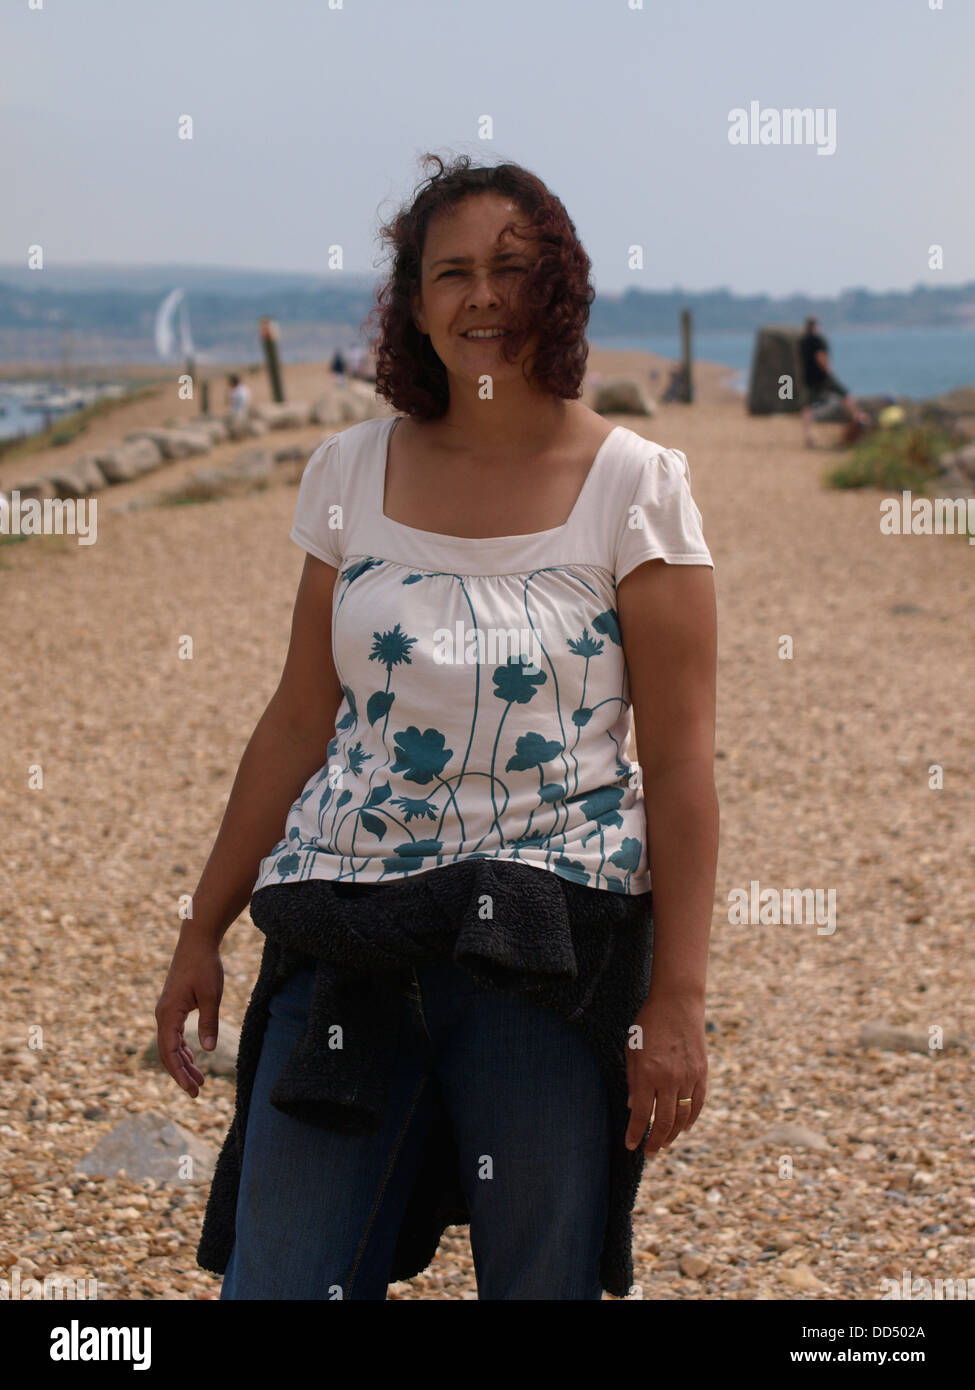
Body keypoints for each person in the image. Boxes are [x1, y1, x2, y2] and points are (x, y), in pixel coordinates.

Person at [155, 154, 719, 1301]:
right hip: (344, 936)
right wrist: (200, 926)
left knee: (537, 1282)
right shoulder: (350, 472)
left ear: (557, 287)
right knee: (280, 1279)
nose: (480, 298)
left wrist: (678, 1004)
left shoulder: (636, 486)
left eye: (511, 270)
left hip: (545, 952)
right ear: (413, 303)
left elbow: (683, 762)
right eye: (450, 272)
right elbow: (297, 719)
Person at [798, 315, 869, 447]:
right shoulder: (818, 340)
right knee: (844, 393)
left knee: (807, 406)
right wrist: (829, 370)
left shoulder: (802, 341)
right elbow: (820, 356)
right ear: (815, 326)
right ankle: (858, 417)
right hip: (823, 377)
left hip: (808, 378)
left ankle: (809, 435)